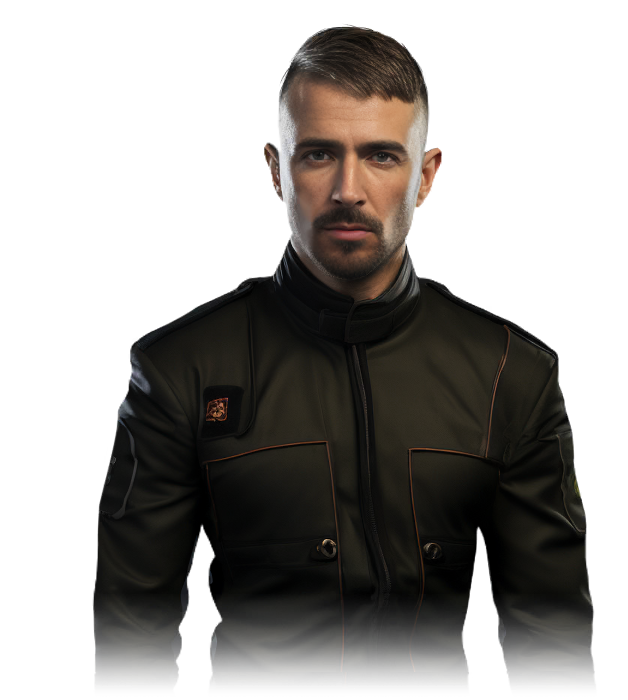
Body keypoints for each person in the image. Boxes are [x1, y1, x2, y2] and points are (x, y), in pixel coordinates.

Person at [93, 25, 597, 699]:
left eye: (382, 155)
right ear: (275, 172)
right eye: (319, 154)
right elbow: (128, 637)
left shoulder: (515, 377)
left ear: (427, 177)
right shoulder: (178, 373)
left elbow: (556, 647)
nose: (348, 189)